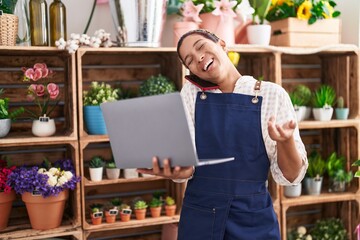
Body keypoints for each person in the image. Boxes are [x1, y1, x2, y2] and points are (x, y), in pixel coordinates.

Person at [137, 29, 308, 239]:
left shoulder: (271, 94)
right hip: (200, 217)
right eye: (189, 60)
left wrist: (286, 141)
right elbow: (187, 168)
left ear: (222, 44)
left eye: (201, 46)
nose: (198, 57)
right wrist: (176, 171)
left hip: (253, 219)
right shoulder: (191, 95)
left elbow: (290, 177)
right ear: (191, 71)